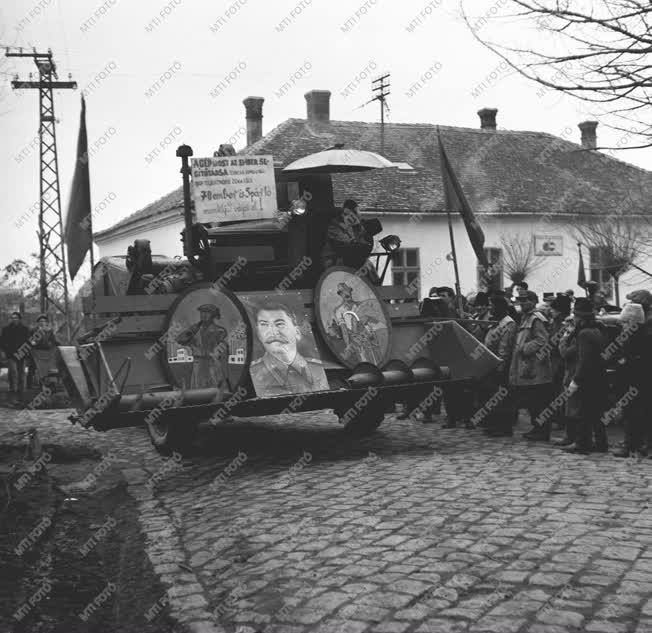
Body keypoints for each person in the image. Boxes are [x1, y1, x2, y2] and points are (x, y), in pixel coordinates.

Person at [250, 301, 328, 397]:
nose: (273, 332)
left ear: (297, 332)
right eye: (264, 325)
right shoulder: (253, 372)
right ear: (258, 334)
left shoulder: (317, 369)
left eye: (280, 324)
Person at [561, 297, 608, 454]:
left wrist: (576, 380)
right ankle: (602, 443)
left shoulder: (584, 334)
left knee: (585, 413)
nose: (574, 318)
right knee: (596, 413)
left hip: (587, 379)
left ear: (580, 317)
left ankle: (582, 444)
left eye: (576, 315)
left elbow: (584, 360)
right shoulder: (598, 329)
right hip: (599, 377)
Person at [508, 291, 553, 441]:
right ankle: (537, 428)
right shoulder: (525, 317)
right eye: (519, 300)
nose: (521, 303)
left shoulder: (536, 319)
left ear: (534, 301)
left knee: (538, 402)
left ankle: (542, 430)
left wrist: (523, 348)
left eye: (525, 300)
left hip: (536, 367)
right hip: (527, 366)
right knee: (532, 402)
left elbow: (542, 340)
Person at [613, 289, 652, 457]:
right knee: (632, 410)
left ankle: (641, 445)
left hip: (643, 376)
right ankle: (633, 444)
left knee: (643, 410)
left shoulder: (645, 329)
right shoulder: (634, 327)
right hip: (633, 376)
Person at [477, 295, 517, 436]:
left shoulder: (508, 324)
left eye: (491, 305)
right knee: (492, 397)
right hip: (491, 364)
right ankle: (494, 424)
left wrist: (500, 367)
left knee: (502, 398)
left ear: (500, 307)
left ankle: (504, 427)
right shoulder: (496, 322)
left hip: (501, 366)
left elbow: (504, 349)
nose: (489, 308)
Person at [176, 304, 229, 392]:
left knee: (215, 390)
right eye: (202, 312)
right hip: (198, 364)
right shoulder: (194, 329)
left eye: (207, 312)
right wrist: (192, 329)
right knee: (197, 393)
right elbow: (180, 340)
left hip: (213, 364)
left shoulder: (220, 331)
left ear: (213, 315)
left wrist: (225, 372)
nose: (203, 315)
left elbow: (224, 352)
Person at [321, 199, 374, 271]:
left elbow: (363, 240)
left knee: (370, 269)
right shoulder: (335, 225)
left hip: (352, 259)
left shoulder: (357, 225)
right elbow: (339, 244)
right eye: (346, 213)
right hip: (333, 259)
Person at [548, 295, 572, 430]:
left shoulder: (564, 323)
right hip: (555, 359)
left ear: (560, 311)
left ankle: (561, 419)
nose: (551, 311)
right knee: (556, 390)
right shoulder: (556, 321)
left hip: (560, 360)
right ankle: (558, 417)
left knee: (559, 391)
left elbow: (557, 341)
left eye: (554, 309)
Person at [1, 312, 31, 398]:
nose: (14, 319)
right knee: (13, 372)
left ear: (19, 319)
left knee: (22, 373)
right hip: (11, 354)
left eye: (16, 318)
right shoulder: (6, 329)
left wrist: (26, 352)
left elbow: (28, 341)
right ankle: (13, 390)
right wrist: (4, 352)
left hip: (22, 353)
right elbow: (2, 341)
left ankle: (22, 391)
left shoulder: (25, 329)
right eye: (13, 318)